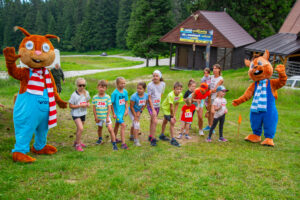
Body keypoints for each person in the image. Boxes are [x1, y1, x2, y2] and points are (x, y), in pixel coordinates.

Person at [92, 80, 118, 151]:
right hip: (99, 116)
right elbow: (94, 108)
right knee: (99, 128)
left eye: (103, 87)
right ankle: (100, 139)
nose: (101, 89)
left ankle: (114, 143)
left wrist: (107, 117)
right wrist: (95, 117)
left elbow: (109, 108)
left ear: (106, 89)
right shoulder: (95, 97)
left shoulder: (107, 97)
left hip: (106, 116)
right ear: (97, 87)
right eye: (100, 87)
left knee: (110, 129)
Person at [69, 78, 90, 151]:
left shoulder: (86, 93)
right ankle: (77, 145)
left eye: (83, 85)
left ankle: (77, 142)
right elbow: (70, 105)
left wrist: (87, 104)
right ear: (77, 85)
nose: (82, 87)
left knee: (79, 129)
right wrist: (80, 106)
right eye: (80, 85)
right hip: (76, 114)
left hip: (83, 113)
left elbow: (88, 101)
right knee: (81, 128)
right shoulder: (74, 95)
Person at [161, 82, 183, 147]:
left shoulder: (180, 95)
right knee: (172, 122)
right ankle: (173, 139)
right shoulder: (170, 95)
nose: (179, 90)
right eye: (177, 89)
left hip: (170, 110)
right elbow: (171, 107)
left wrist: (174, 114)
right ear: (173, 89)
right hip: (166, 108)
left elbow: (176, 104)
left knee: (165, 121)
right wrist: (172, 116)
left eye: (180, 89)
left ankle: (162, 135)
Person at [129, 82, 151, 146]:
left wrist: (140, 111)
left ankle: (131, 136)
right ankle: (136, 141)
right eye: (137, 88)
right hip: (132, 111)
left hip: (138, 111)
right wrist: (135, 115)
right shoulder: (134, 96)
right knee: (136, 124)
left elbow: (145, 105)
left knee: (134, 123)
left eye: (140, 89)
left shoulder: (146, 96)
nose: (138, 90)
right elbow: (131, 107)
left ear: (144, 89)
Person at [147, 70, 165, 146]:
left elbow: (161, 94)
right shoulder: (150, 85)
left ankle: (150, 136)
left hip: (157, 105)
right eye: (154, 76)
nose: (155, 77)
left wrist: (158, 103)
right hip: (151, 105)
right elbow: (149, 98)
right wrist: (153, 109)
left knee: (152, 121)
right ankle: (153, 139)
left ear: (160, 77)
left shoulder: (163, 84)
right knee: (155, 121)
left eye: (157, 76)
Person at [203, 64, 224, 132]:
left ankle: (212, 127)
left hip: (214, 97)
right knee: (209, 110)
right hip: (208, 96)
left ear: (219, 70)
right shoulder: (211, 77)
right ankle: (209, 125)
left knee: (212, 112)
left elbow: (216, 89)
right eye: (213, 68)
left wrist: (209, 91)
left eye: (216, 68)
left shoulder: (220, 79)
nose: (214, 70)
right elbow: (206, 84)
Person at [111, 77, 129, 149]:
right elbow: (111, 104)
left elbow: (126, 101)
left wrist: (127, 109)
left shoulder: (125, 92)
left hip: (122, 113)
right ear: (117, 84)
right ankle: (123, 144)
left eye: (124, 83)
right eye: (122, 83)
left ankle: (113, 139)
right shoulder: (114, 93)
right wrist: (113, 113)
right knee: (123, 125)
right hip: (117, 113)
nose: (123, 85)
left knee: (117, 125)